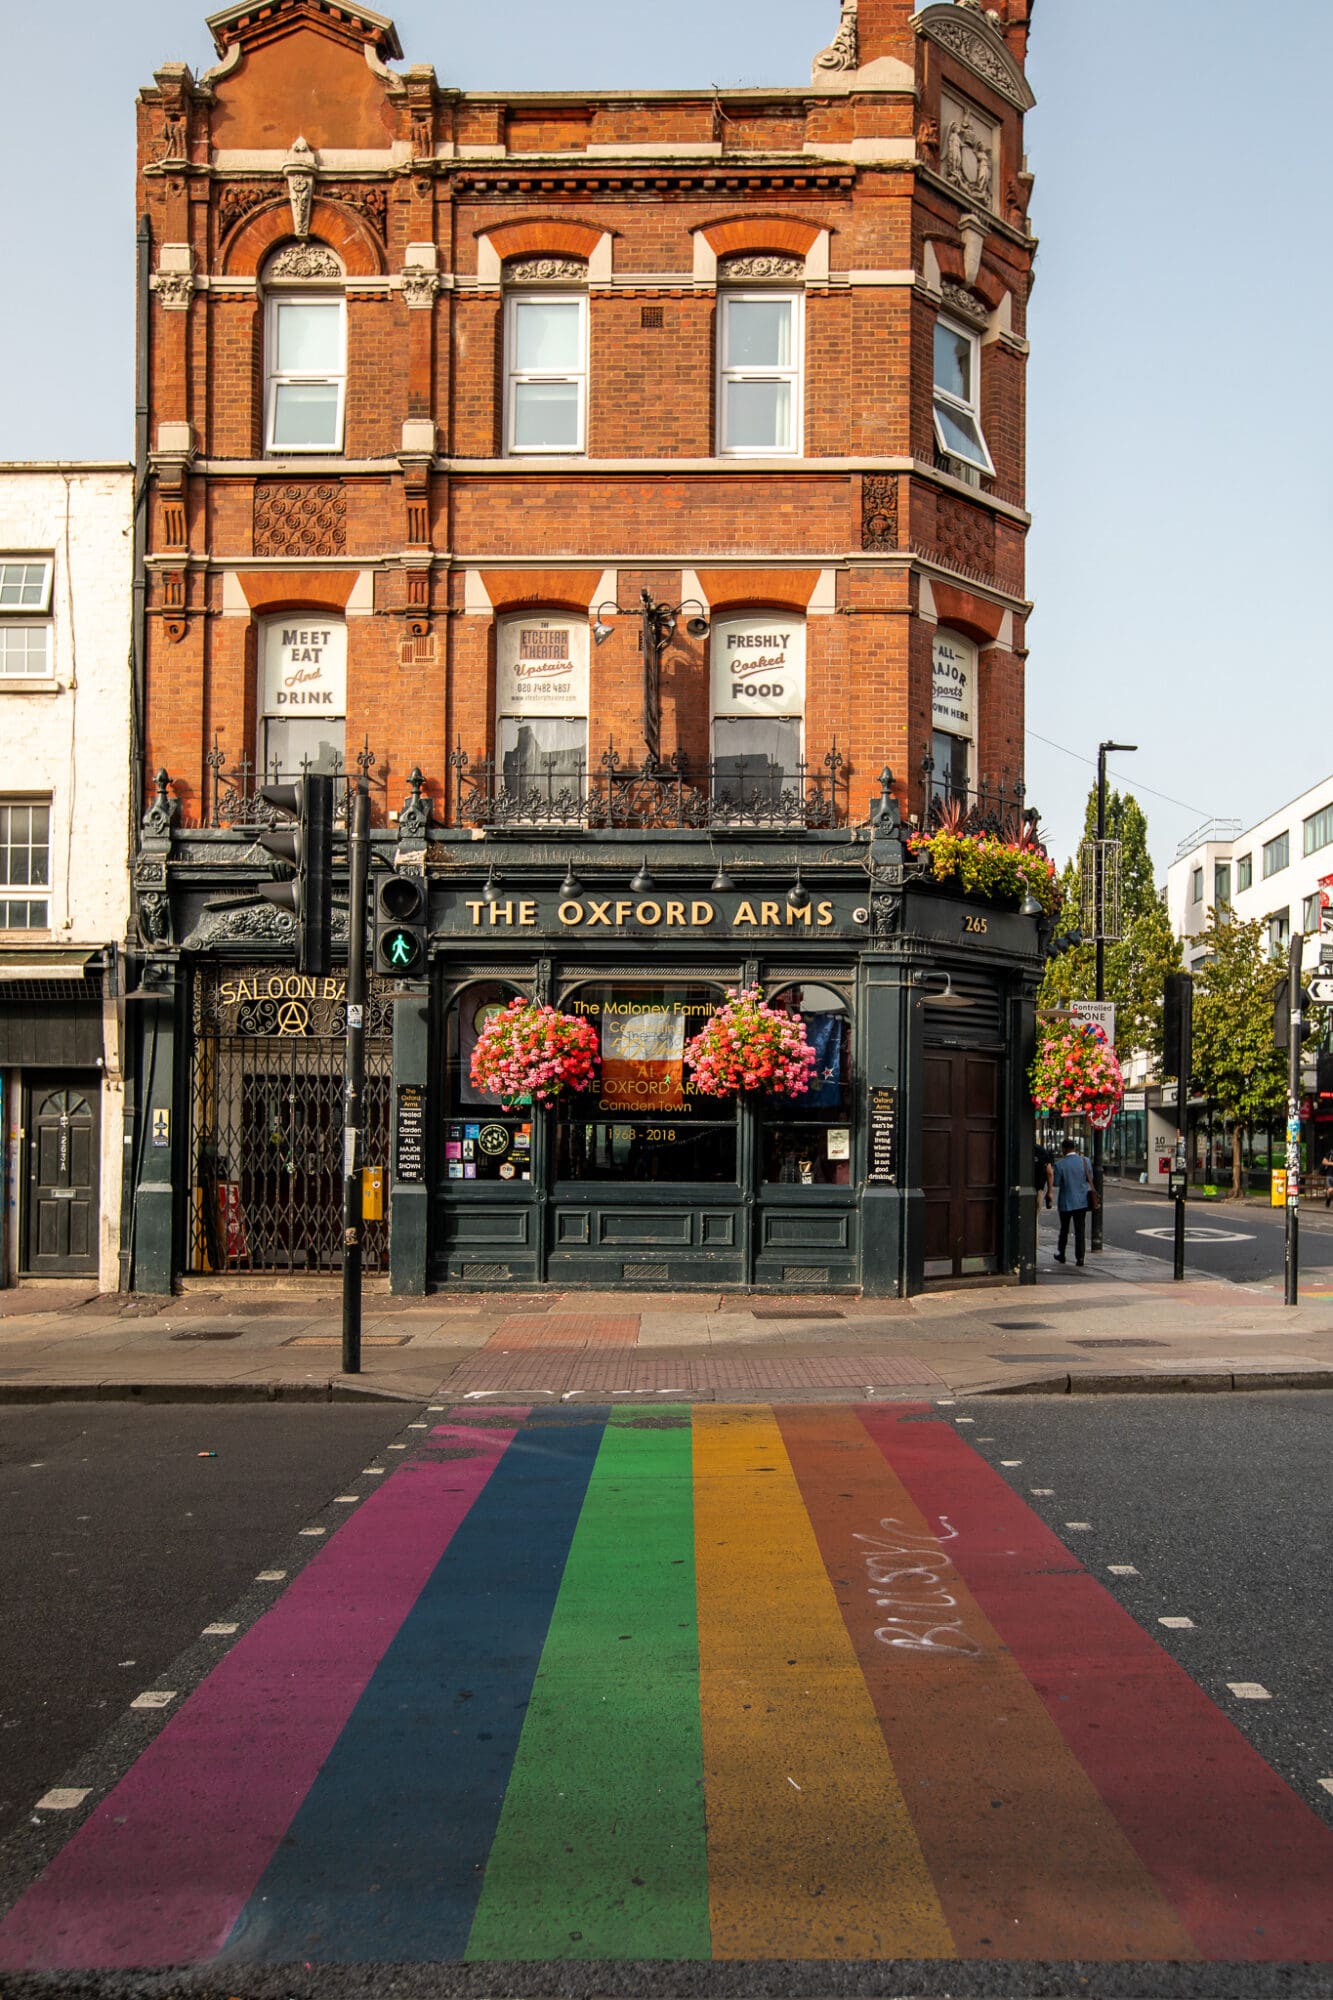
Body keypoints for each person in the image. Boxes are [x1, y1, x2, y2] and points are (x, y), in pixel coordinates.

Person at [1051, 1136, 1093, 1266]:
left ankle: (1061, 1254)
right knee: (1080, 1230)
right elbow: (1090, 1177)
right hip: (1082, 1202)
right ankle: (1080, 1258)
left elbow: (1056, 1183)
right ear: (1074, 1148)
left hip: (1066, 1202)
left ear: (1064, 1149)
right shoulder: (1085, 1161)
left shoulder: (1060, 1164)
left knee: (1064, 1229)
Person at [1033, 1141, 1054, 1210]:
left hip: (1018, 1187)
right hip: (1038, 1188)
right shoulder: (1041, 1150)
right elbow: (1049, 1172)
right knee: (1034, 1216)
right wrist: (1050, 1191)